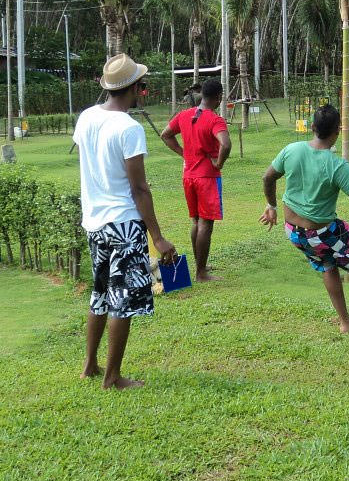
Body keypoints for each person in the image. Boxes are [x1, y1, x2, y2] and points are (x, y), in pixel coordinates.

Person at [73, 53, 177, 390]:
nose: (142, 92)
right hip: (123, 224)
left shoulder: (86, 117)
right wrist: (158, 238)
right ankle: (113, 377)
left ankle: (90, 365)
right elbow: (139, 188)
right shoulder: (129, 128)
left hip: (94, 222)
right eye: (142, 87)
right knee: (123, 300)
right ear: (133, 88)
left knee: (100, 293)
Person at [260, 104, 349, 333]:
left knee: (327, 264)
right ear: (337, 131)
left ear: (312, 127)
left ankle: (345, 322)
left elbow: (268, 177)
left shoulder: (291, 150)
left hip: (294, 233)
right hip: (321, 233)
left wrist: (271, 206)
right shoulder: (337, 166)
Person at [160, 78, 231, 282]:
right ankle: (201, 273)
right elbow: (225, 144)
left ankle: (200, 264)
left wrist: (184, 153)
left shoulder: (184, 115)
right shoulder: (214, 119)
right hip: (206, 177)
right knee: (205, 224)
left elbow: (166, 135)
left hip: (188, 176)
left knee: (196, 221)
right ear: (218, 97)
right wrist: (219, 163)